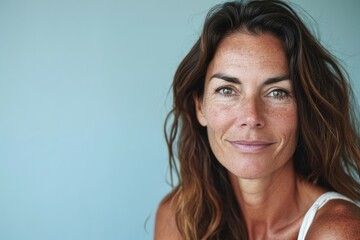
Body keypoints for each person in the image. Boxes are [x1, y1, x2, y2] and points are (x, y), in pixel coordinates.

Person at [155, 0, 360, 239]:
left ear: (304, 109)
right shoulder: (179, 218)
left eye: (277, 92)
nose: (251, 117)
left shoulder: (338, 231)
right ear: (200, 106)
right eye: (227, 90)